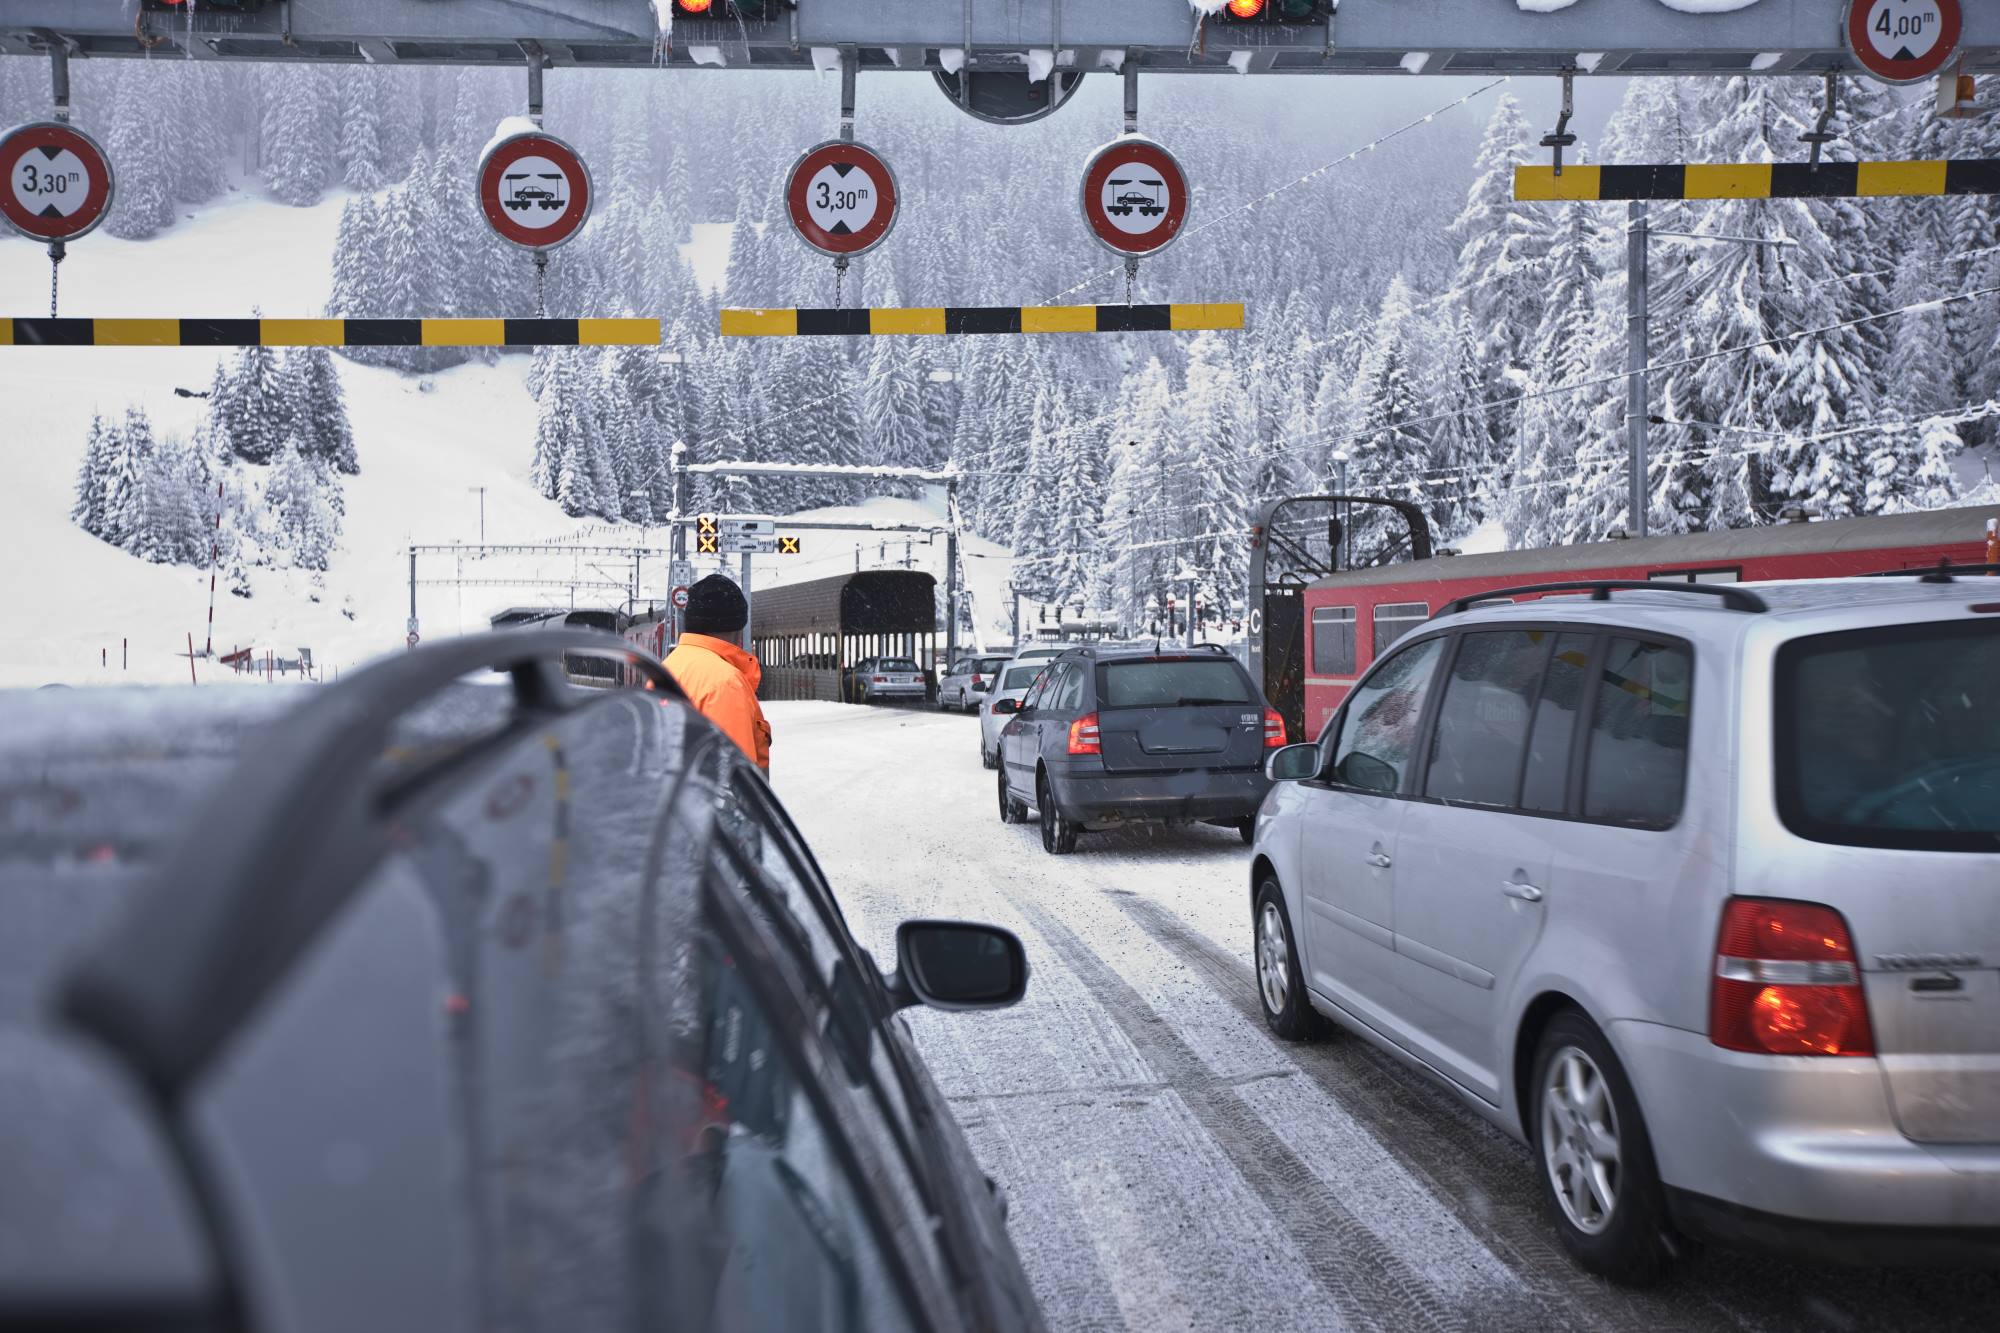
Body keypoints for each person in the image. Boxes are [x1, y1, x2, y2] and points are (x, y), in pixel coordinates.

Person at [665, 574, 772, 773]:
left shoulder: (669, 667)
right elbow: (733, 780)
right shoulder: (725, 683)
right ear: (738, 628)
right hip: (702, 803)